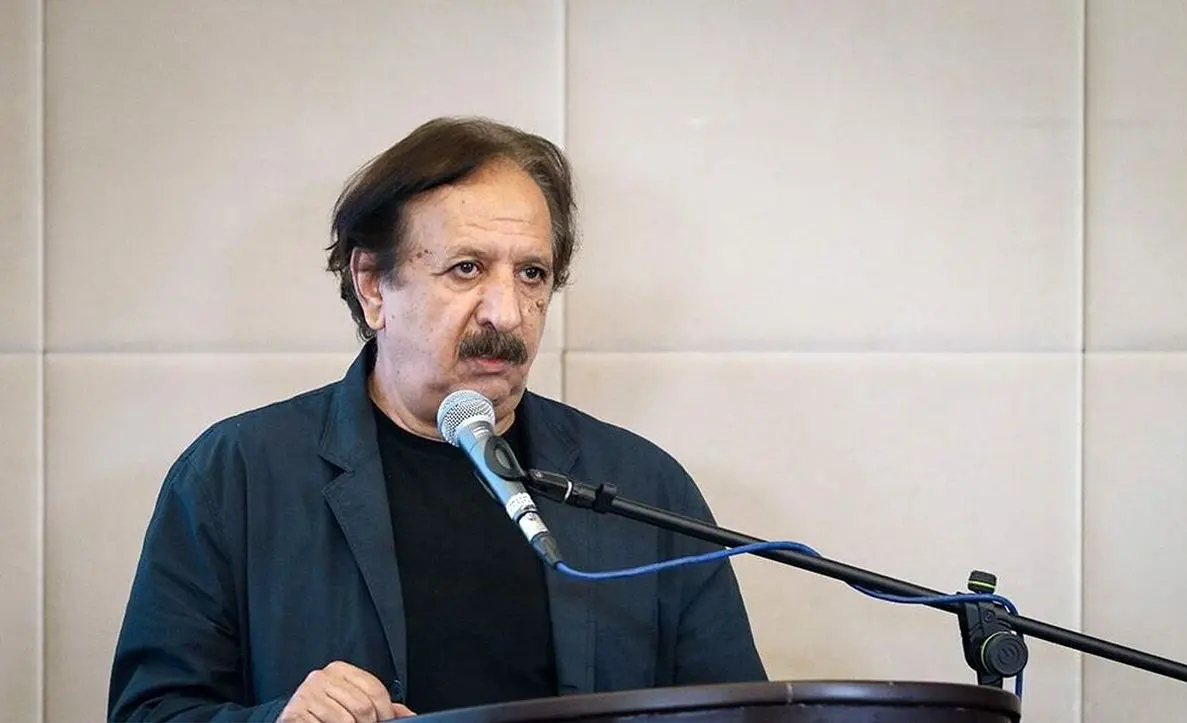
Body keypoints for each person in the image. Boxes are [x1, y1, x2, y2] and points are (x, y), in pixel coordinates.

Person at [108, 116, 766, 722]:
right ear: (373, 285)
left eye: (532, 274)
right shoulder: (237, 475)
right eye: (467, 268)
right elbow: (150, 711)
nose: (507, 312)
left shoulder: (644, 486)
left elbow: (738, 713)